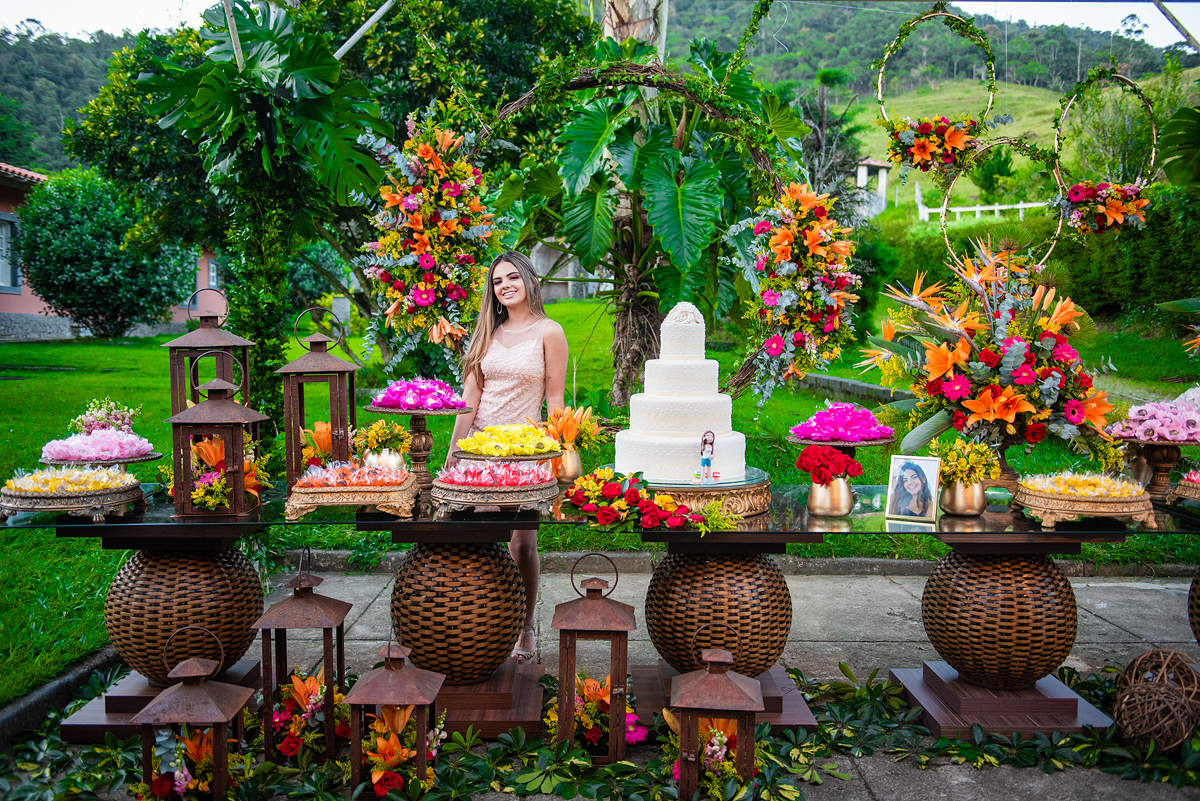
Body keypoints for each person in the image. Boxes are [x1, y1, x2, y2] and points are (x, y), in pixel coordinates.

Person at [445, 251, 568, 662]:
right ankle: (482, 621)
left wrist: (560, 454)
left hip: (524, 453)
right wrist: (453, 452)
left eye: (513, 277)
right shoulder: (487, 333)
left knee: (522, 544)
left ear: (529, 281)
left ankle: (525, 626)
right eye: (498, 281)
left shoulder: (550, 332)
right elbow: (470, 398)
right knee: (473, 541)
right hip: (479, 451)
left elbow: (555, 401)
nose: (506, 285)